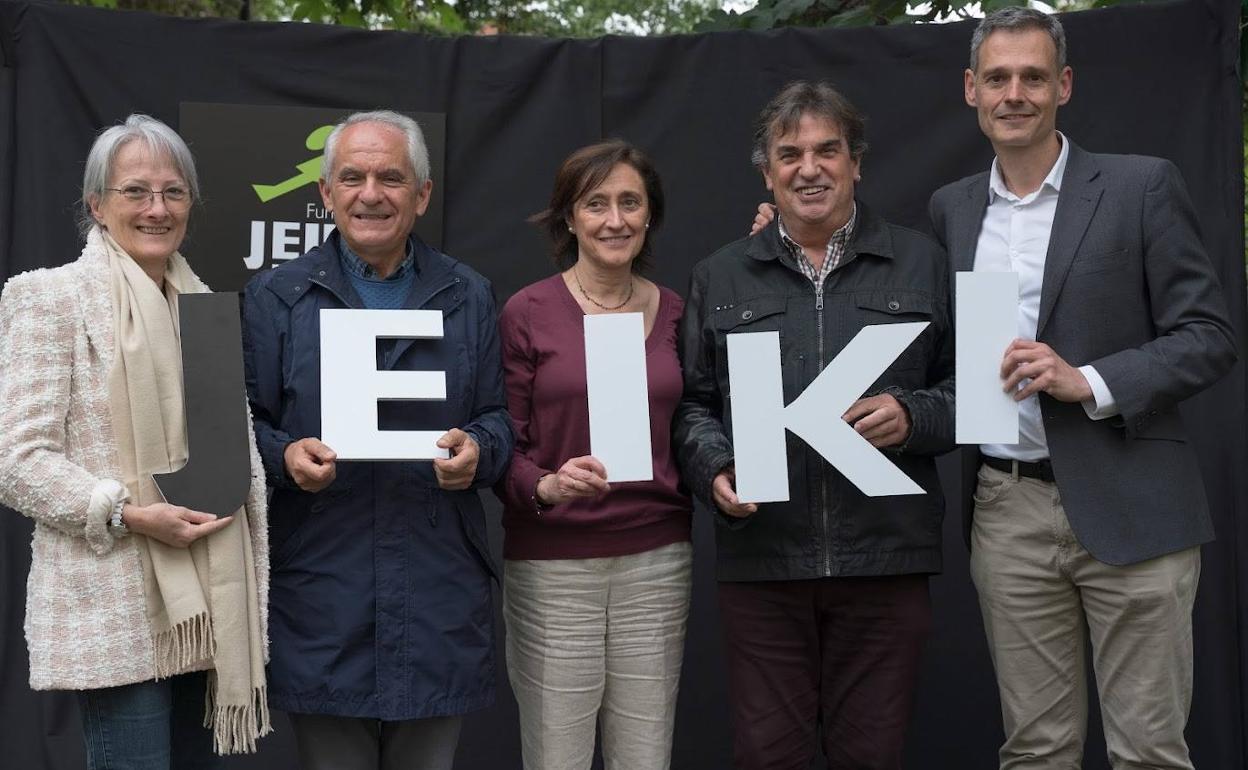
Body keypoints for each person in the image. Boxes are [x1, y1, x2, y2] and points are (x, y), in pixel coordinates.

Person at [926, 9, 1237, 768]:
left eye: (1034, 76)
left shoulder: (1140, 185)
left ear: (1063, 85)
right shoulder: (952, 208)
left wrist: (1087, 379)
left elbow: (1209, 337)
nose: (1015, 93)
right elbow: (931, 339)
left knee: (1150, 753)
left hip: (1134, 500)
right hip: (1007, 511)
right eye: (997, 77)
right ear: (971, 89)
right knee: (1036, 751)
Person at [673, 81, 955, 770]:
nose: (810, 168)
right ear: (767, 172)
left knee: (873, 757)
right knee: (770, 758)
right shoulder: (721, 275)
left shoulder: (923, 262)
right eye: (789, 153)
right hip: (764, 564)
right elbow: (692, 404)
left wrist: (914, 415)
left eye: (828, 150)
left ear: (856, 162)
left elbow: (970, 393)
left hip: (885, 563)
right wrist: (715, 470)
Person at [242, 110, 513, 770]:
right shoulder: (276, 296)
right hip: (325, 587)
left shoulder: (467, 294)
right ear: (326, 193)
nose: (372, 193)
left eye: (391, 177)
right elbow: (241, 423)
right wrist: (283, 456)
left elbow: (500, 418)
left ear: (422, 194)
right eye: (353, 177)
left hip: (436, 586)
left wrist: (478, 450)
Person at [0, 114, 271, 768]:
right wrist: (126, 514)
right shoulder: (48, 298)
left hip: (210, 602)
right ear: (96, 204)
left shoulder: (203, 307)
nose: (158, 208)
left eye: (173, 192)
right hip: (116, 603)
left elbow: (236, 457)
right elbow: (17, 460)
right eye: (136, 192)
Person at [496, 140, 693, 770]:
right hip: (555, 568)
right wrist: (547, 485)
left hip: (656, 563)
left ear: (649, 215)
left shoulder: (678, 313)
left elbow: (698, 421)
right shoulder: (527, 312)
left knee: (646, 757)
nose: (615, 219)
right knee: (557, 756)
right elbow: (503, 442)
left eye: (630, 202)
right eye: (596, 203)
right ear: (569, 217)